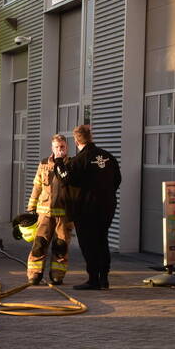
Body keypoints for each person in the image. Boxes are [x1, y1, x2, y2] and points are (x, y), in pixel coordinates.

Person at [53, 124, 121, 290]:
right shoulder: (108, 157)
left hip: (85, 209)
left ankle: (93, 279)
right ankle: (104, 278)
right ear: (91, 138)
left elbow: (65, 178)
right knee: (102, 240)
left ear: (76, 141)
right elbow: (117, 180)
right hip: (107, 207)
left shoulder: (79, 160)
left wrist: (59, 161)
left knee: (88, 243)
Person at [25, 134, 74, 285]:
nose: (60, 150)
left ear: (67, 147)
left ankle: (57, 275)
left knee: (61, 246)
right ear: (52, 148)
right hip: (44, 213)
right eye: (57, 147)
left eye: (63, 147)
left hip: (64, 215)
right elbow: (37, 186)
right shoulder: (44, 163)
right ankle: (34, 274)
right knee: (39, 244)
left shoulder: (72, 164)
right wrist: (31, 207)